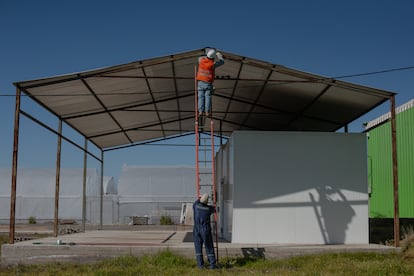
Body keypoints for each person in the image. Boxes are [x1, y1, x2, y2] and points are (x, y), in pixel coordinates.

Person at [196, 49, 224, 117]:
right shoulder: (212, 64)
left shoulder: (201, 60)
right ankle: (207, 112)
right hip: (208, 83)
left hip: (200, 82)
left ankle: (200, 111)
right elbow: (222, 62)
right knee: (207, 97)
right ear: (213, 57)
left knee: (200, 97)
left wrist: (208, 54)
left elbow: (200, 57)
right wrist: (218, 55)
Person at [193, 193, 217, 269]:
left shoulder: (195, 206)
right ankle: (212, 265)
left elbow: (197, 201)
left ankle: (200, 266)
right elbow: (215, 209)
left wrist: (199, 197)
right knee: (209, 247)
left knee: (198, 248)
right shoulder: (209, 209)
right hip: (205, 229)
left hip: (196, 229)